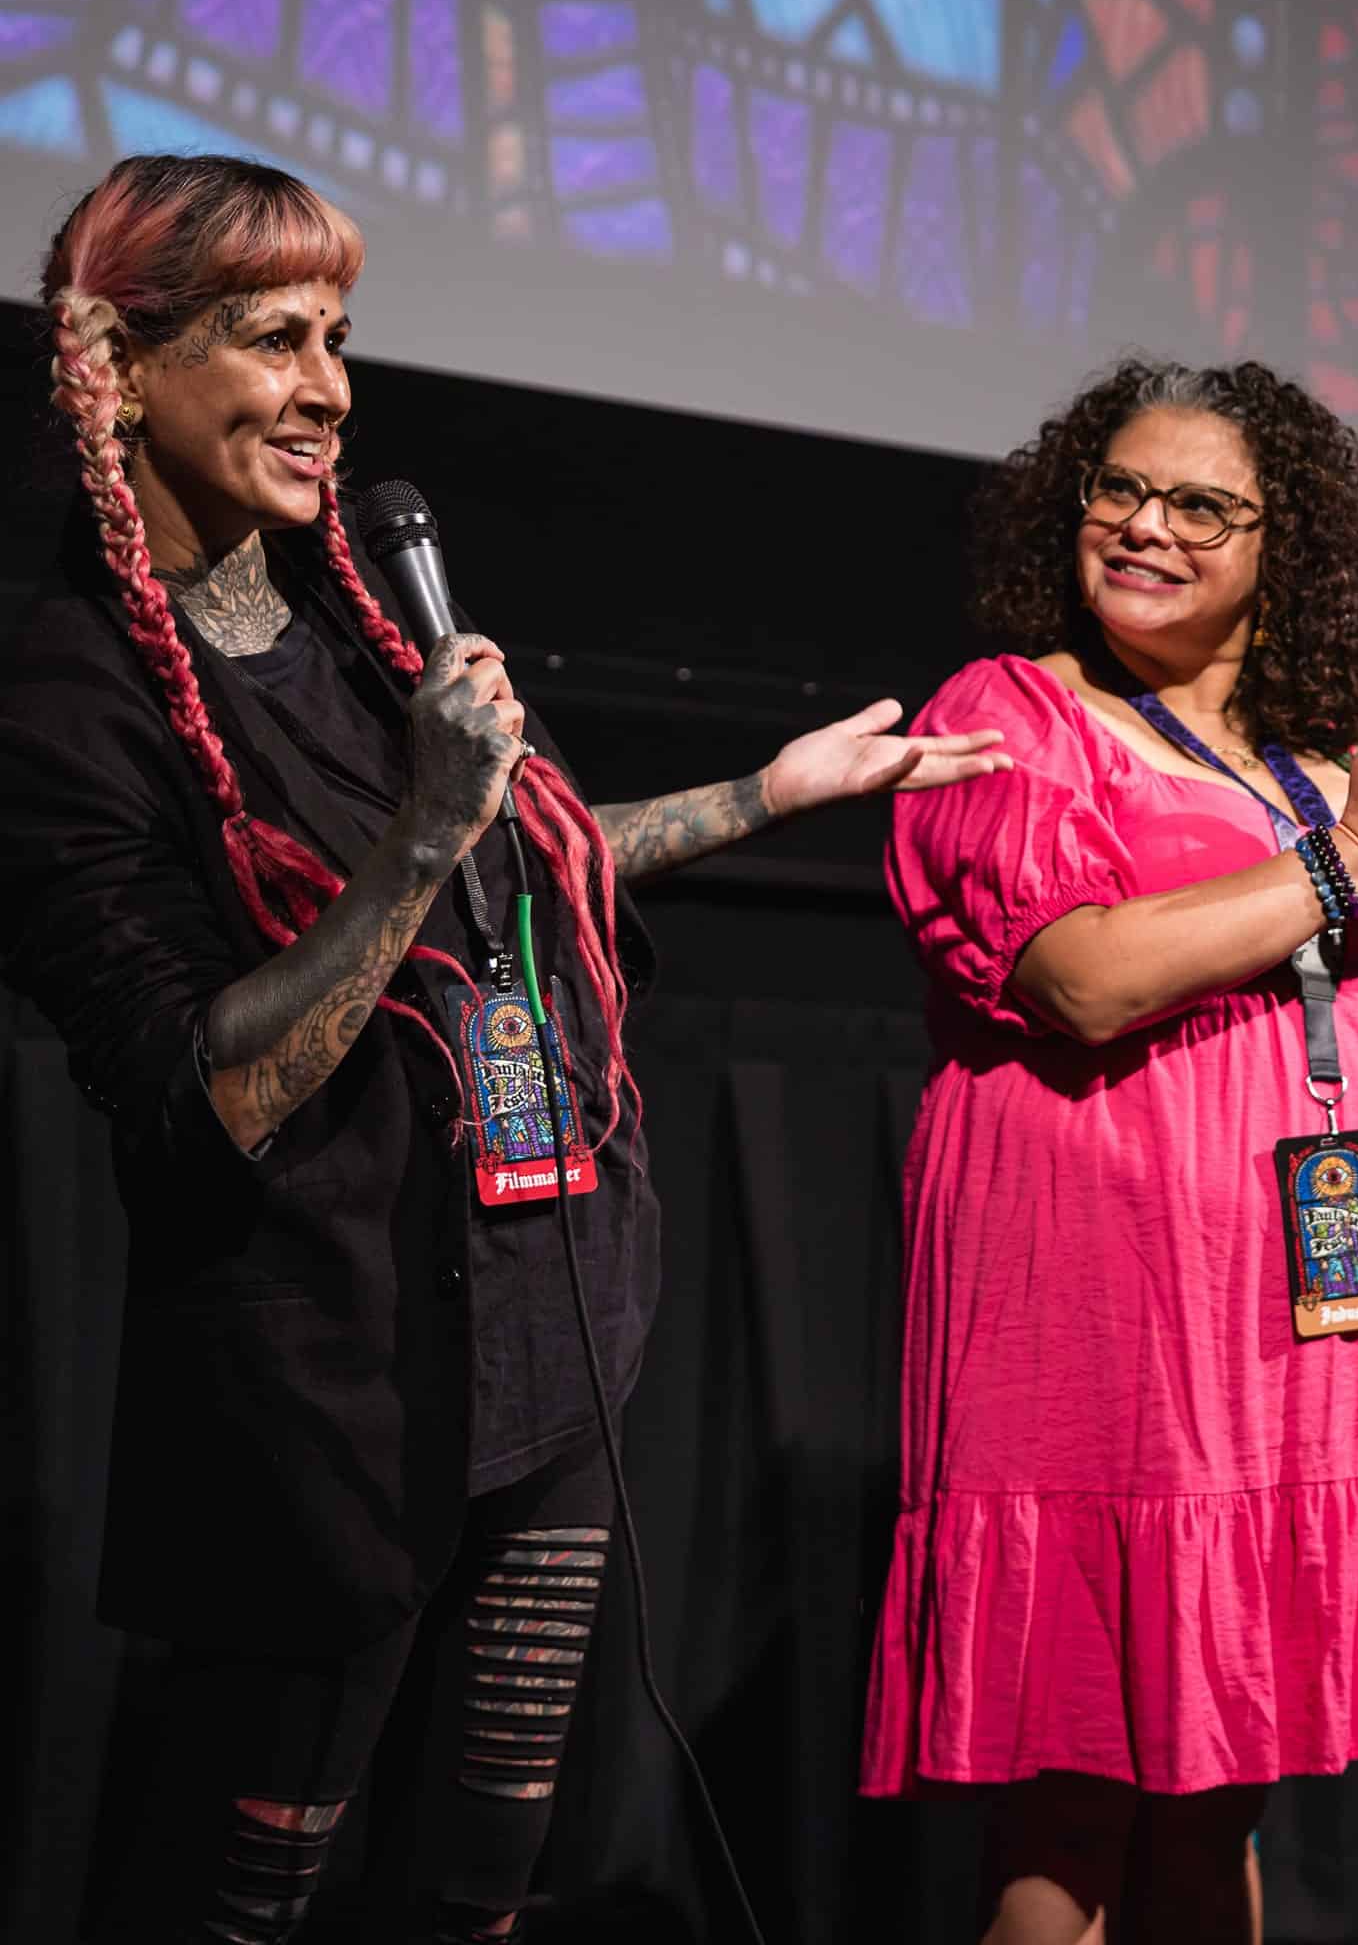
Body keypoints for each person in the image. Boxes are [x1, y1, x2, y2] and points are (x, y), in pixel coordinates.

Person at [0, 152, 1007, 1945]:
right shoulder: (71, 700)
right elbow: (201, 1083)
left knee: (482, 1873)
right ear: (122, 365)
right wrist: (414, 835)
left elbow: (512, 878)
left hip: (542, 1346)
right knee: (250, 1891)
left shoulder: (339, 617)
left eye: (340, 337)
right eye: (273, 340)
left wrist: (768, 793)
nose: (332, 390)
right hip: (325, 1403)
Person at [859, 357, 1358, 1944]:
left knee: (1220, 1810)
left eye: (1202, 504)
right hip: (1112, 1327)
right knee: (1066, 1832)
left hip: (1308, 1345)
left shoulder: (1326, 757)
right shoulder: (1011, 716)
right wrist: (1357, 855)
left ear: (1288, 547)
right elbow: (1078, 976)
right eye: (1119, 491)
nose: (1146, 526)